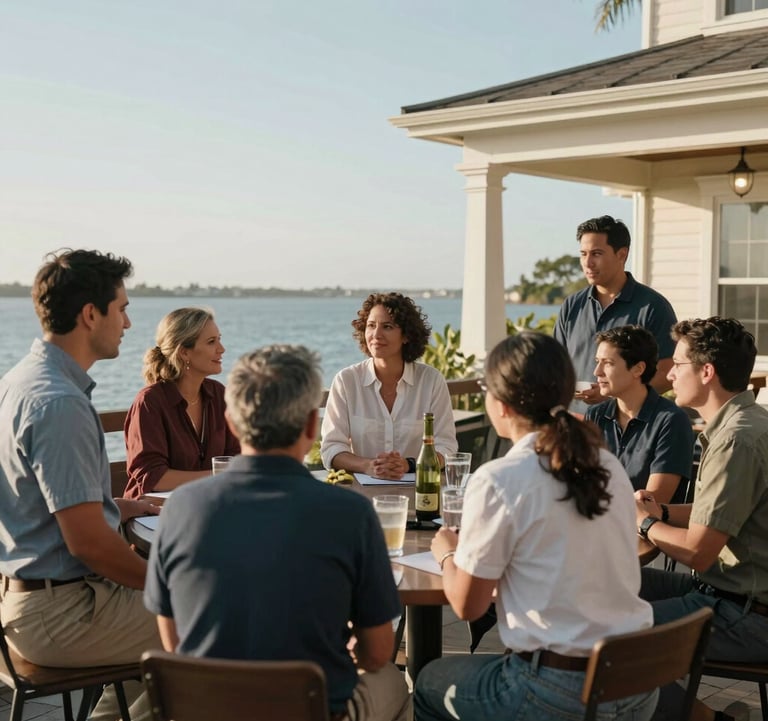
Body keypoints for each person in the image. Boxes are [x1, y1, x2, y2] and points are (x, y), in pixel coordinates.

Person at [144, 344, 411, 721]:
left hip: (210, 710)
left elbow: (174, 641)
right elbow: (378, 652)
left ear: (233, 424)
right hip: (311, 708)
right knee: (396, 686)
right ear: (311, 426)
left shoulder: (179, 510)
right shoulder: (350, 513)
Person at [414, 332, 656, 721]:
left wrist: (446, 553)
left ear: (502, 404)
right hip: (635, 681)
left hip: (560, 692)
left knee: (429, 681)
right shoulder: (605, 463)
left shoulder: (500, 478)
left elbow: (467, 605)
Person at [0, 249, 161, 721]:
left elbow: (38, 500)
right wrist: (171, 586)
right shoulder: (60, 404)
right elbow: (90, 544)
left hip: (29, 598)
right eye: (123, 308)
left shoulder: (20, 382)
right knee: (232, 620)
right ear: (91, 315)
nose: (128, 324)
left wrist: (115, 505)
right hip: (62, 614)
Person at [635, 317, 768, 721]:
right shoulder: (747, 422)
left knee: (605, 635)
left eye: (677, 363)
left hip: (745, 615)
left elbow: (698, 553)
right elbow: (725, 510)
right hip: (728, 595)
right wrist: (662, 512)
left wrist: (644, 524)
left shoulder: (736, 440)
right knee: (609, 578)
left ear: (706, 372)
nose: (669, 372)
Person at [321, 292, 457, 479]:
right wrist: (369, 466)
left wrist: (408, 465)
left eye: (387, 326)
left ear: (406, 336)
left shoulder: (431, 381)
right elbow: (332, 448)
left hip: (419, 491)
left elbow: (446, 446)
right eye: (371, 326)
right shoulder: (346, 381)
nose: (376, 335)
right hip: (362, 494)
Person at [554, 215, 677, 415]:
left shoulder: (653, 306)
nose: (588, 263)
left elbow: (667, 372)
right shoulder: (572, 305)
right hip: (575, 426)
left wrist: (613, 396)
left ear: (622, 254)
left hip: (628, 428)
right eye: (583, 254)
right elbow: (557, 364)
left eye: (596, 254)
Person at [123, 307, 240, 499]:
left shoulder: (219, 395)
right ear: (184, 352)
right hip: (152, 515)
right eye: (212, 342)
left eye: (219, 339)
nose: (221, 349)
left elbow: (236, 457)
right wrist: (217, 477)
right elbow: (152, 478)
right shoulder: (150, 402)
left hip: (207, 504)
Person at [584, 325, 694, 504]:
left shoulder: (671, 421)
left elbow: (653, 501)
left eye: (608, 363)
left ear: (638, 369)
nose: (597, 372)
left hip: (643, 530)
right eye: (597, 361)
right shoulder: (595, 415)